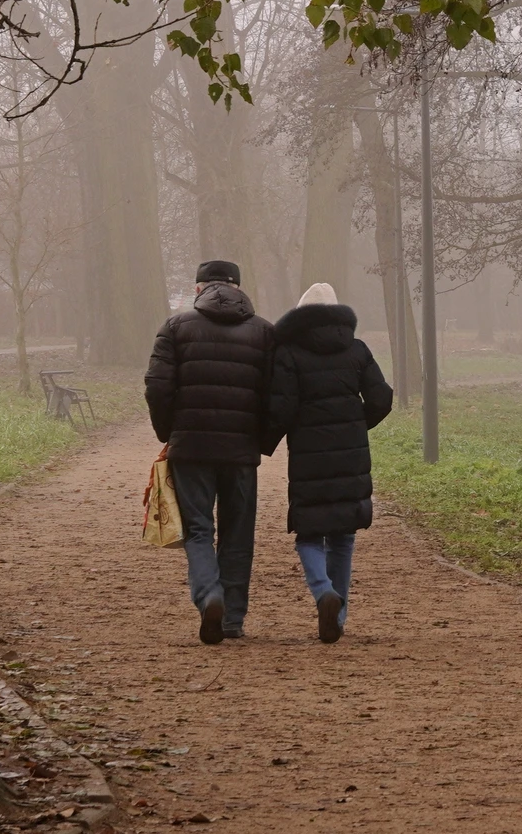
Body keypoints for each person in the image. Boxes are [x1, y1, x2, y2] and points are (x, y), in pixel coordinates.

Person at [145, 260, 271, 644]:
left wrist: (169, 433)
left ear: (198, 289)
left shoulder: (175, 327)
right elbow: (277, 392)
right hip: (241, 451)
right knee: (238, 534)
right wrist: (262, 439)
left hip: (191, 448)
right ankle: (232, 619)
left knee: (199, 530)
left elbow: (157, 386)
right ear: (238, 288)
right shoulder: (265, 332)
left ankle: (208, 595)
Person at [265, 283, 392, 643]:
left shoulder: (289, 353)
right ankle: (338, 617)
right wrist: (356, 424)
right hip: (351, 454)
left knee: (308, 535)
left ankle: (324, 593)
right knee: (343, 539)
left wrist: (264, 442)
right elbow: (381, 398)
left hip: (308, 455)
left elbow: (281, 408)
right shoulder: (357, 349)